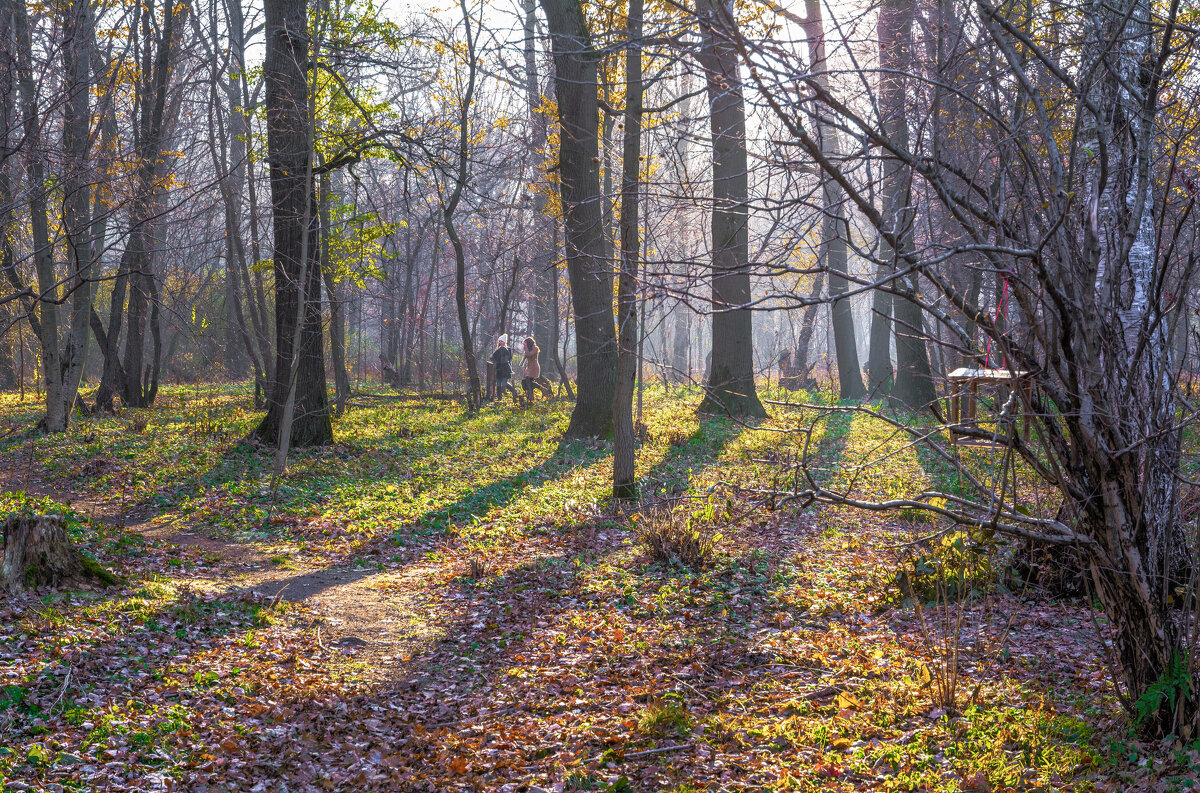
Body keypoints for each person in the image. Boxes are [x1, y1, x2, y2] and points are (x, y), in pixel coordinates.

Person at [521, 336, 553, 403]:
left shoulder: (535, 348)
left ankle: (540, 391)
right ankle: (533, 394)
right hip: (529, 367)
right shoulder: (528, 349)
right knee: (525, 382)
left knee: (529, 382)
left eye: (526, 343)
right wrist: (522, 365)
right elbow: (525, 356)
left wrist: (526, 347)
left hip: (534, 368)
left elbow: (529, 355)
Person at [491, 335, 520, 404]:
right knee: (498, 385)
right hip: (498, 369)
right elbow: (492, 358)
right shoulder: (497, 350)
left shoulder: (508, 349)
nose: (500, 342)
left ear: (504, 342)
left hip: (505, 370)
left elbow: (509, 358)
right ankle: (499, 399)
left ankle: (514, 391)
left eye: (501, 341)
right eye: (499, 341)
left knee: (504, 384)